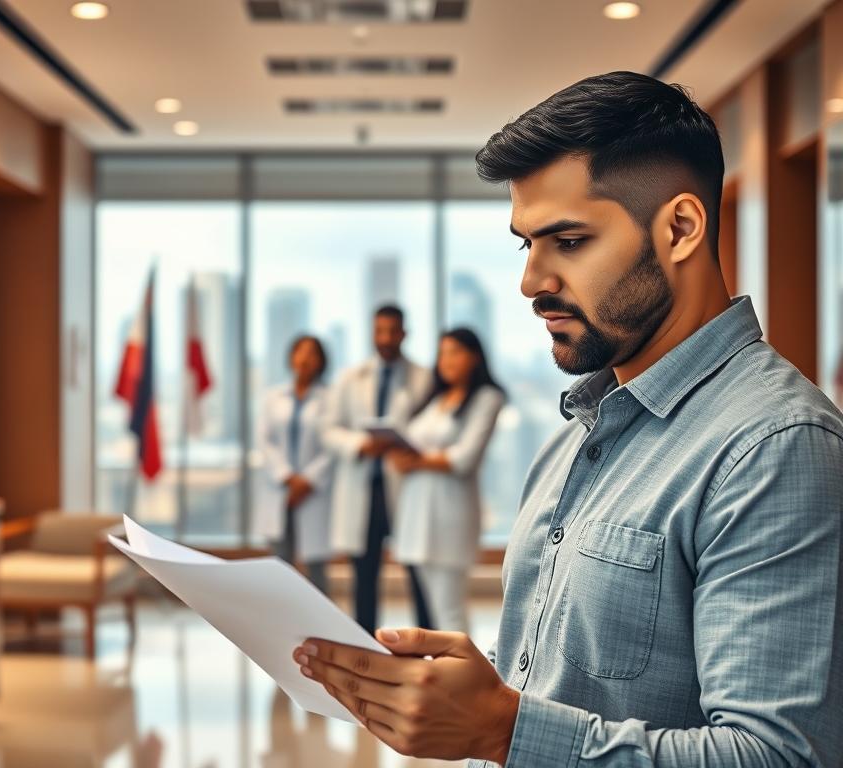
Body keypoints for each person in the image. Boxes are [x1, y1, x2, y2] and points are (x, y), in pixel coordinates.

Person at [292, 71, 843, 766]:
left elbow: (778, 757)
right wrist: (469, 689)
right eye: (528, 244)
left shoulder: (776, 447)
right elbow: (565, 681)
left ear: (680, 229)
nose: (532, 282)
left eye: (570, 241)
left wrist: (501, 728)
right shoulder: (573, 441)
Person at [321, 305, 432, 635]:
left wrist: (401, 442)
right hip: (363, 488)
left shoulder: (423, 378)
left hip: (404, 486)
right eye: (379, 331)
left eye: (392, 332)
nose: (385, 339)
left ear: (404, 334)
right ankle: (365, 644)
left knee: (417, 569)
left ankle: (427, 641)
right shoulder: (350, 378)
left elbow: (430, 428)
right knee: (364, 575)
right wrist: (359, 444)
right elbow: (328, 429)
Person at [389, 328, 505, 634]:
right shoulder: (434, 399)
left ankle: (462, 678)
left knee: (449, 611)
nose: (447, 360)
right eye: (442, 353)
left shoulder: (487, 398)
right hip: (416, 512)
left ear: (475, 356)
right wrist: (403, 458)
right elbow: (414, 446)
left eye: (455, 352)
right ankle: (441, 675)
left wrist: (418, 460)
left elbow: (464, 457)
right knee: (432, 611)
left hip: (449, 514)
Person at [255, 335, 332, 595]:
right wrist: (287, 476)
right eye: (300, 352)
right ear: (291, 357)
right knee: (280, 565)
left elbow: (333, 446)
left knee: (317, 568)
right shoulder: (272, 397)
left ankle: (326, 631)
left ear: (321, 361)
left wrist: (307, 480)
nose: (305, 359)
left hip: (313, 492)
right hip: (280, 490)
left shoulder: (330, 399)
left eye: (312, 353)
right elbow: (265, 441)